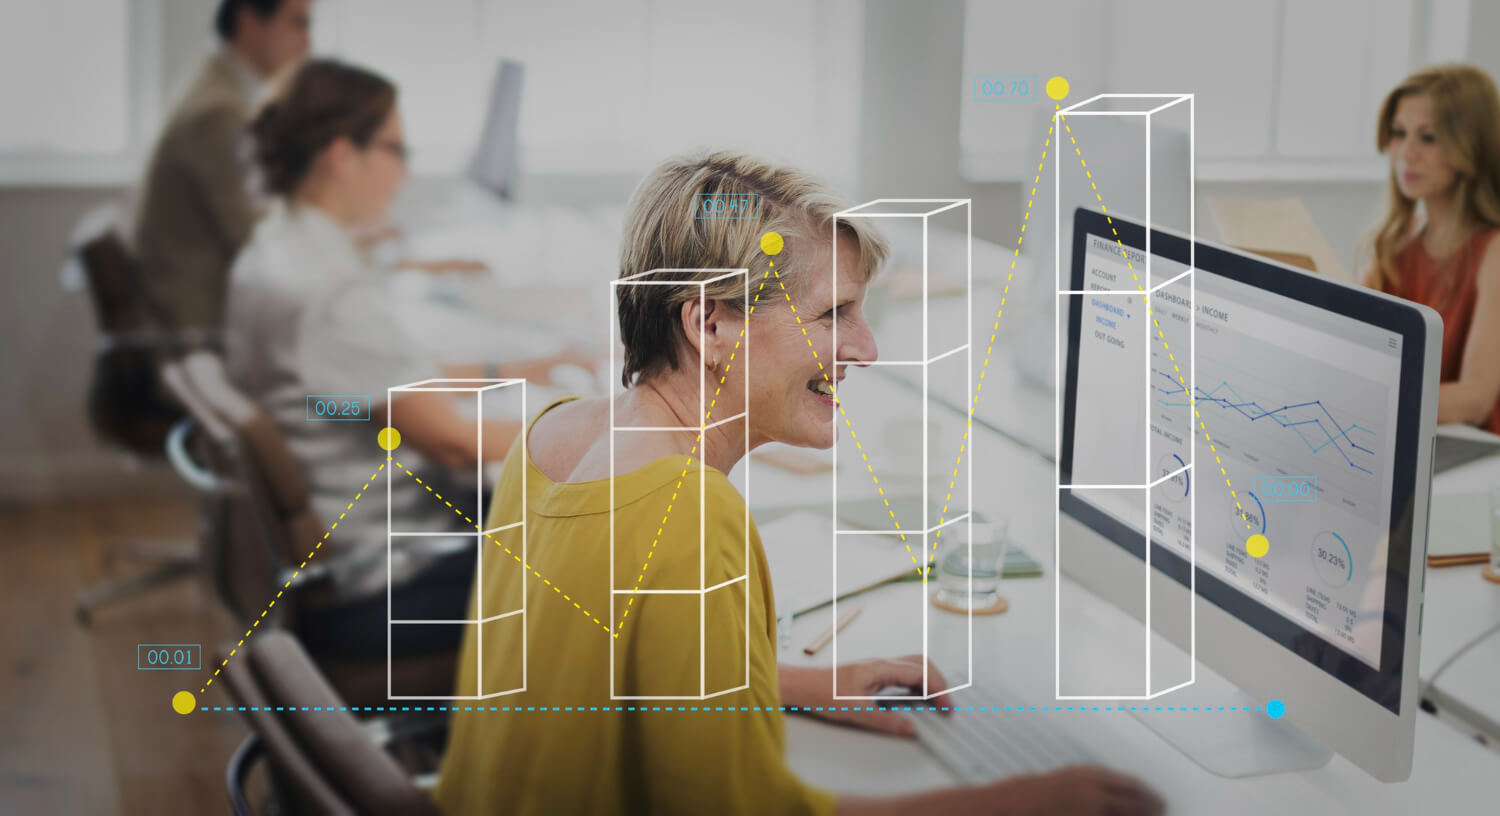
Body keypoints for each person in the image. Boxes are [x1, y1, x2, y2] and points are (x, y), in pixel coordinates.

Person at [433, 152, 1164, 815]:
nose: (867, 348)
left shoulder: (552, 435)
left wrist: (798, 682)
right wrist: (1018, 802)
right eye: (833, 313)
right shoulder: (687, 512)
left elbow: (602, 668)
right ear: (711, 324)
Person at [224, 59, 591, 658]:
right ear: (343, 154)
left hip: (339, 561)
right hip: (386, 586)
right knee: (618, 560)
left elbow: (372, 381)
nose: (405, 173)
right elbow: (451, 442)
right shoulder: (332, 290)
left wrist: (517, 370)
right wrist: (612, 427)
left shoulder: (277, 249)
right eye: (397, 150)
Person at [133, 0, 311, 337]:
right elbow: (258, 241)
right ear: (248, 20)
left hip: (209, 312)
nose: (307, 44)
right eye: (297, 24)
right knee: (371, 379)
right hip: (200, 328)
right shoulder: (218, 111)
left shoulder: (218, 86)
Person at [1362, 64, 1500, 431]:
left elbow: (1476, 399)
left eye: (1428, 138)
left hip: (1470, 452)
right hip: (1407, 430)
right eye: (1398, 133)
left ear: (1471, 145)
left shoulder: (1493, 252)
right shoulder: (1395, 242)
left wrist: (1375, 399)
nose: (1406, 152)